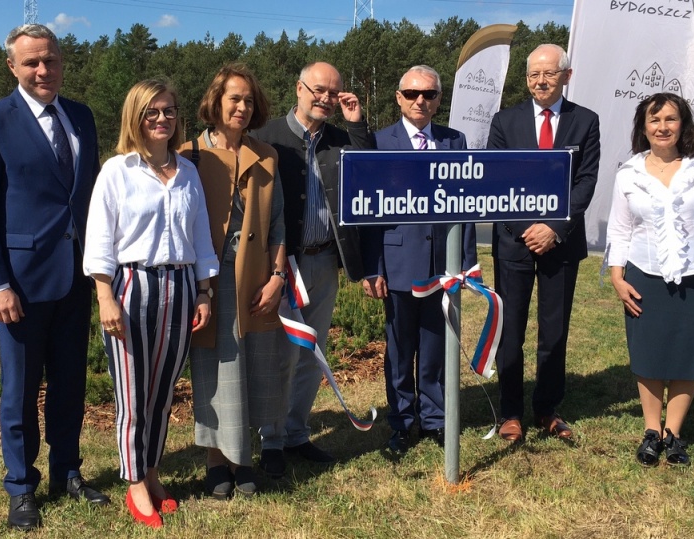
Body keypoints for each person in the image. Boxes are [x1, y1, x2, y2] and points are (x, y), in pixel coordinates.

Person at [0, 24, 109, 531]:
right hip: (19, 285)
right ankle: (21, 487)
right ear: (12, 66)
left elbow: (90, 199)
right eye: (31, 63)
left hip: (77, 277)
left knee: (70, 385)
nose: (43, 70)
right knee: (20, 390)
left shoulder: (82, 118)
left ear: (62, 60)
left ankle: (67, 470)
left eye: (50, 60)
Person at [82, 80, 219, 527]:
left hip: (179, 288)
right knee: (132, 393)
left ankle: (154, 470)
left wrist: (203, 291)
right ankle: (135, 481)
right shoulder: (117, 171)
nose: (162, 119)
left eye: (169, 111)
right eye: (152, 112)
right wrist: (105, 296)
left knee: (162, 394)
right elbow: (100, 239)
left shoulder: (189, 173)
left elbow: (201, 238)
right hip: (131, 287)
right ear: (135, 117)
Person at [253, 61, 375, 476]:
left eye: (334, 93)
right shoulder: (265, 137)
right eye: (318, 90)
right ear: (299, 88)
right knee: (277, 354)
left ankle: (296, 433)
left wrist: (357, 124)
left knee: (311, 352)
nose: (325, 98)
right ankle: (270, 441)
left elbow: (372, 177)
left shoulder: (341, 139)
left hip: (324, 260)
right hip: (280, 264)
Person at [178, 64, 288, 499]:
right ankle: (214, 461)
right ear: (216, 102)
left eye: (248, 100)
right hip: (209, 279)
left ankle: (244, 460)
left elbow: (278, 223)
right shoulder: (189, 155)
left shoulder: (267, 155)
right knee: (215, 370)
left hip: (257, 281)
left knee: (255, 367)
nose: (242, 107)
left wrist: (278, 276)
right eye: (233, 99)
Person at [606, 92, 694, 467]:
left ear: (683, 124)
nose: (663, 127)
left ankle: (673, 433)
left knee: (687, 355)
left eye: (671, 119)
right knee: (649, 354)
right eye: (654, 120)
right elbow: (619, 228)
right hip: (645, 273)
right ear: (643, 128)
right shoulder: (629, 172)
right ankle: (651, 430)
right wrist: (616, 276)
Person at [361, 65, 478, 455]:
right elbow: (368, 213)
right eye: (411, 94)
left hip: (442, 266)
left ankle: (434, 419)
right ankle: (401, 423)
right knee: (399, 351)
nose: (420, 101)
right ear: (398, 97)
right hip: (397, 265)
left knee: (435, 348)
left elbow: (467, 207)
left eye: (428, 94)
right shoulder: (377, 143)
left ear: (439, 100)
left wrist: (465, 262)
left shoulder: (455, 141)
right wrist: (372, 267)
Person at [487, 44, 600, 443]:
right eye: (534, 74)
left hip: (561, 243)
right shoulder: (505, 121)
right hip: (514, 243)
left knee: (554, 332)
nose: (540, 81)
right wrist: (526, 227)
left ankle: (547, 408)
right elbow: (495, 180)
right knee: (511, 330)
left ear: (566, 76)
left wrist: (554, 227)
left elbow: (586, 181)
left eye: (549, 74)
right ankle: (511, 412)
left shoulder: (585, 121)